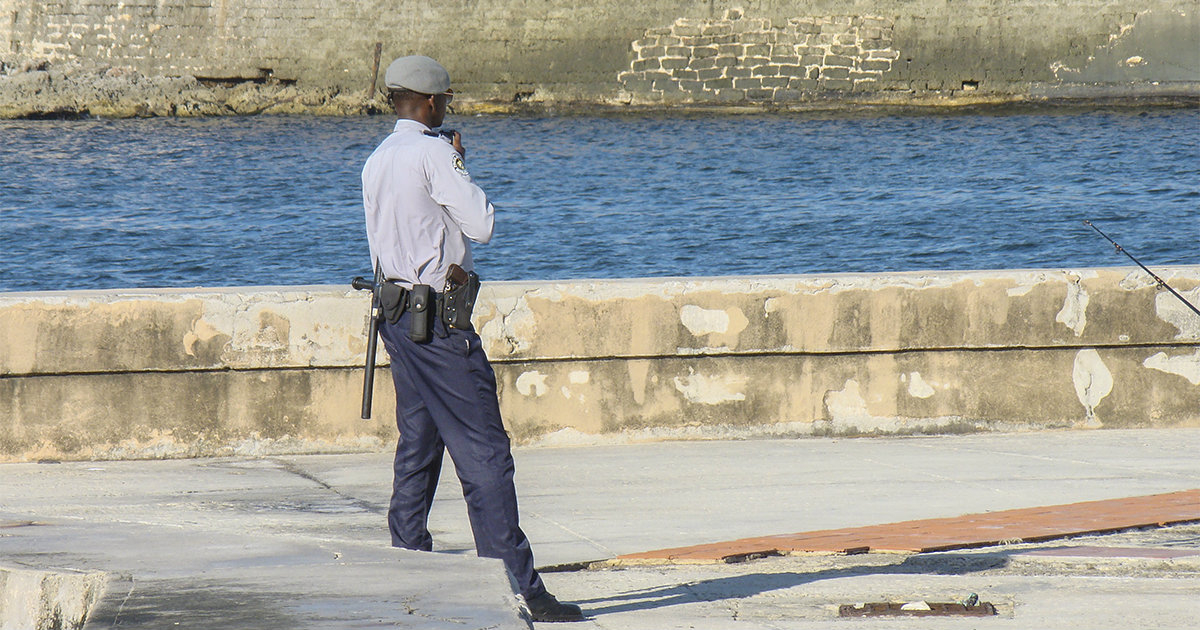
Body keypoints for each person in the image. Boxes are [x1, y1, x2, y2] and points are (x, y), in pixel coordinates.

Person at [361, 55, 584, 623]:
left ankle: (407, 566)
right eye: (446, 100)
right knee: (484, 453)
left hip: (396, 320)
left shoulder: (378, 158)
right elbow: (481, 222)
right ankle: (520, 589)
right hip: (438, 326)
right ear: (432, 103)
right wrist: (457, 160)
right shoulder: (436, 153)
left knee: (418, 446)